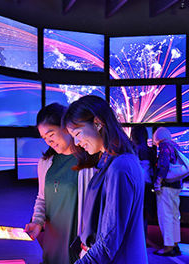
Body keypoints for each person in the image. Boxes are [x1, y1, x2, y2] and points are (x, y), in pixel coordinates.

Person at [62, 95, 148, 264]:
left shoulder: (119, 166)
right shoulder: (117, 161)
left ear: (98, 122)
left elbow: (109, 239)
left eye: (78, 133)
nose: (77, 142)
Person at [25, 103, 95, 264]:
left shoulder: (90, 161)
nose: (49, 141)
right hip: (53, 239)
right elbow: (42, 198)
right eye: (44, 138)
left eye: (51, 134)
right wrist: (37, 222)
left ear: (66, 127)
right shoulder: (45, 163)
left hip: (78, 242)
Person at [152, 127, 182, 257]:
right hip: (176, 186)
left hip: (167, 187)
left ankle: (168, 247)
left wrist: (158, 182)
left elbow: (164, 165)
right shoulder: (176, 145)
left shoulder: (164, 146)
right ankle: (175, 244)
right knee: (175, 216)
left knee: (166, 216)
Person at [130, 125, 157, 241]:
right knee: (143, 214)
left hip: (136, 185)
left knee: (135, 214)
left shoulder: (132, 149)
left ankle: (136, 241)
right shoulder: (150, 150)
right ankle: (143, 239)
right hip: (148, 184)